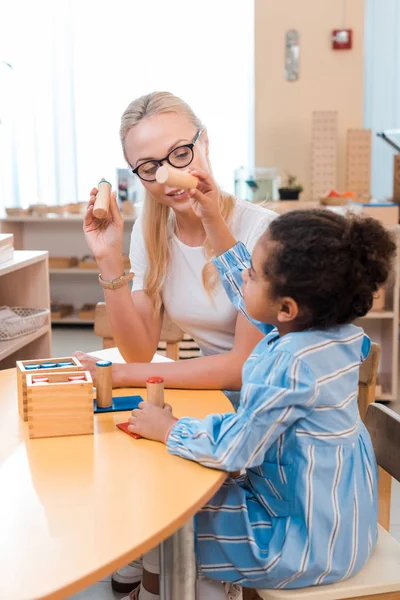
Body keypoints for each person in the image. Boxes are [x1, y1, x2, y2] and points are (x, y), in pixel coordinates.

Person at [126, 201, 396, 599]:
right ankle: (169, 582)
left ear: (287, 308)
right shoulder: (334, 335)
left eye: (251, 273)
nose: (241, 278)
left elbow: (234, 450)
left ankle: (186, 589)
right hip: (343, 523)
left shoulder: (289, 366)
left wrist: (168, 428)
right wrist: (212, 220)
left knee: (174, 517)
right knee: (184, 501)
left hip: (301, 544)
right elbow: (253, 302)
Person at [74, 91, 276, 594]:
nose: (166, 174)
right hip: (209, 391)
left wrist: (121, 373)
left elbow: (242, 367)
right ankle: (149, 553)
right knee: (124, 441)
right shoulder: (153, 229)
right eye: (148, 166)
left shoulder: (263, 231)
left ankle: (172, 564)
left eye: (179, 154)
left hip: (260, 401)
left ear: (205, 142)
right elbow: (140, 348)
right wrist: (108, 258)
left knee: (158, 449)